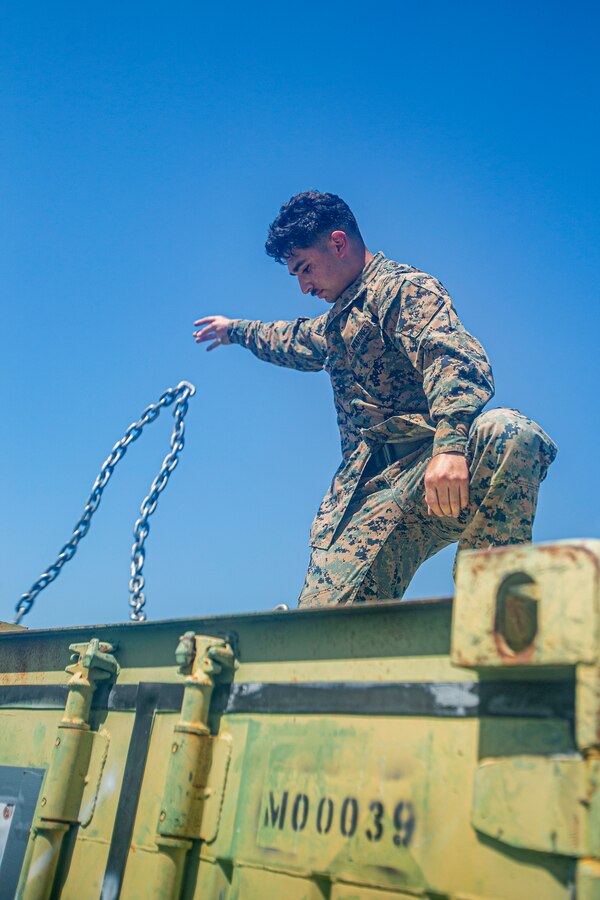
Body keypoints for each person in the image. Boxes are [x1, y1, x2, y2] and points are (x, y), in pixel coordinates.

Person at [193, 191, 557, 607]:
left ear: (338, 242)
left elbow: (451, 360)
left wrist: (452, 446)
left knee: (510, 432)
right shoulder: (334, 325)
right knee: (322, 637)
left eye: (305, 268)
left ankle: (493, 606)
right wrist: (234, 329)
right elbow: (288, 339)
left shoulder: (401, 289)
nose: (304, 286)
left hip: (439, 471)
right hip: (369, 495)